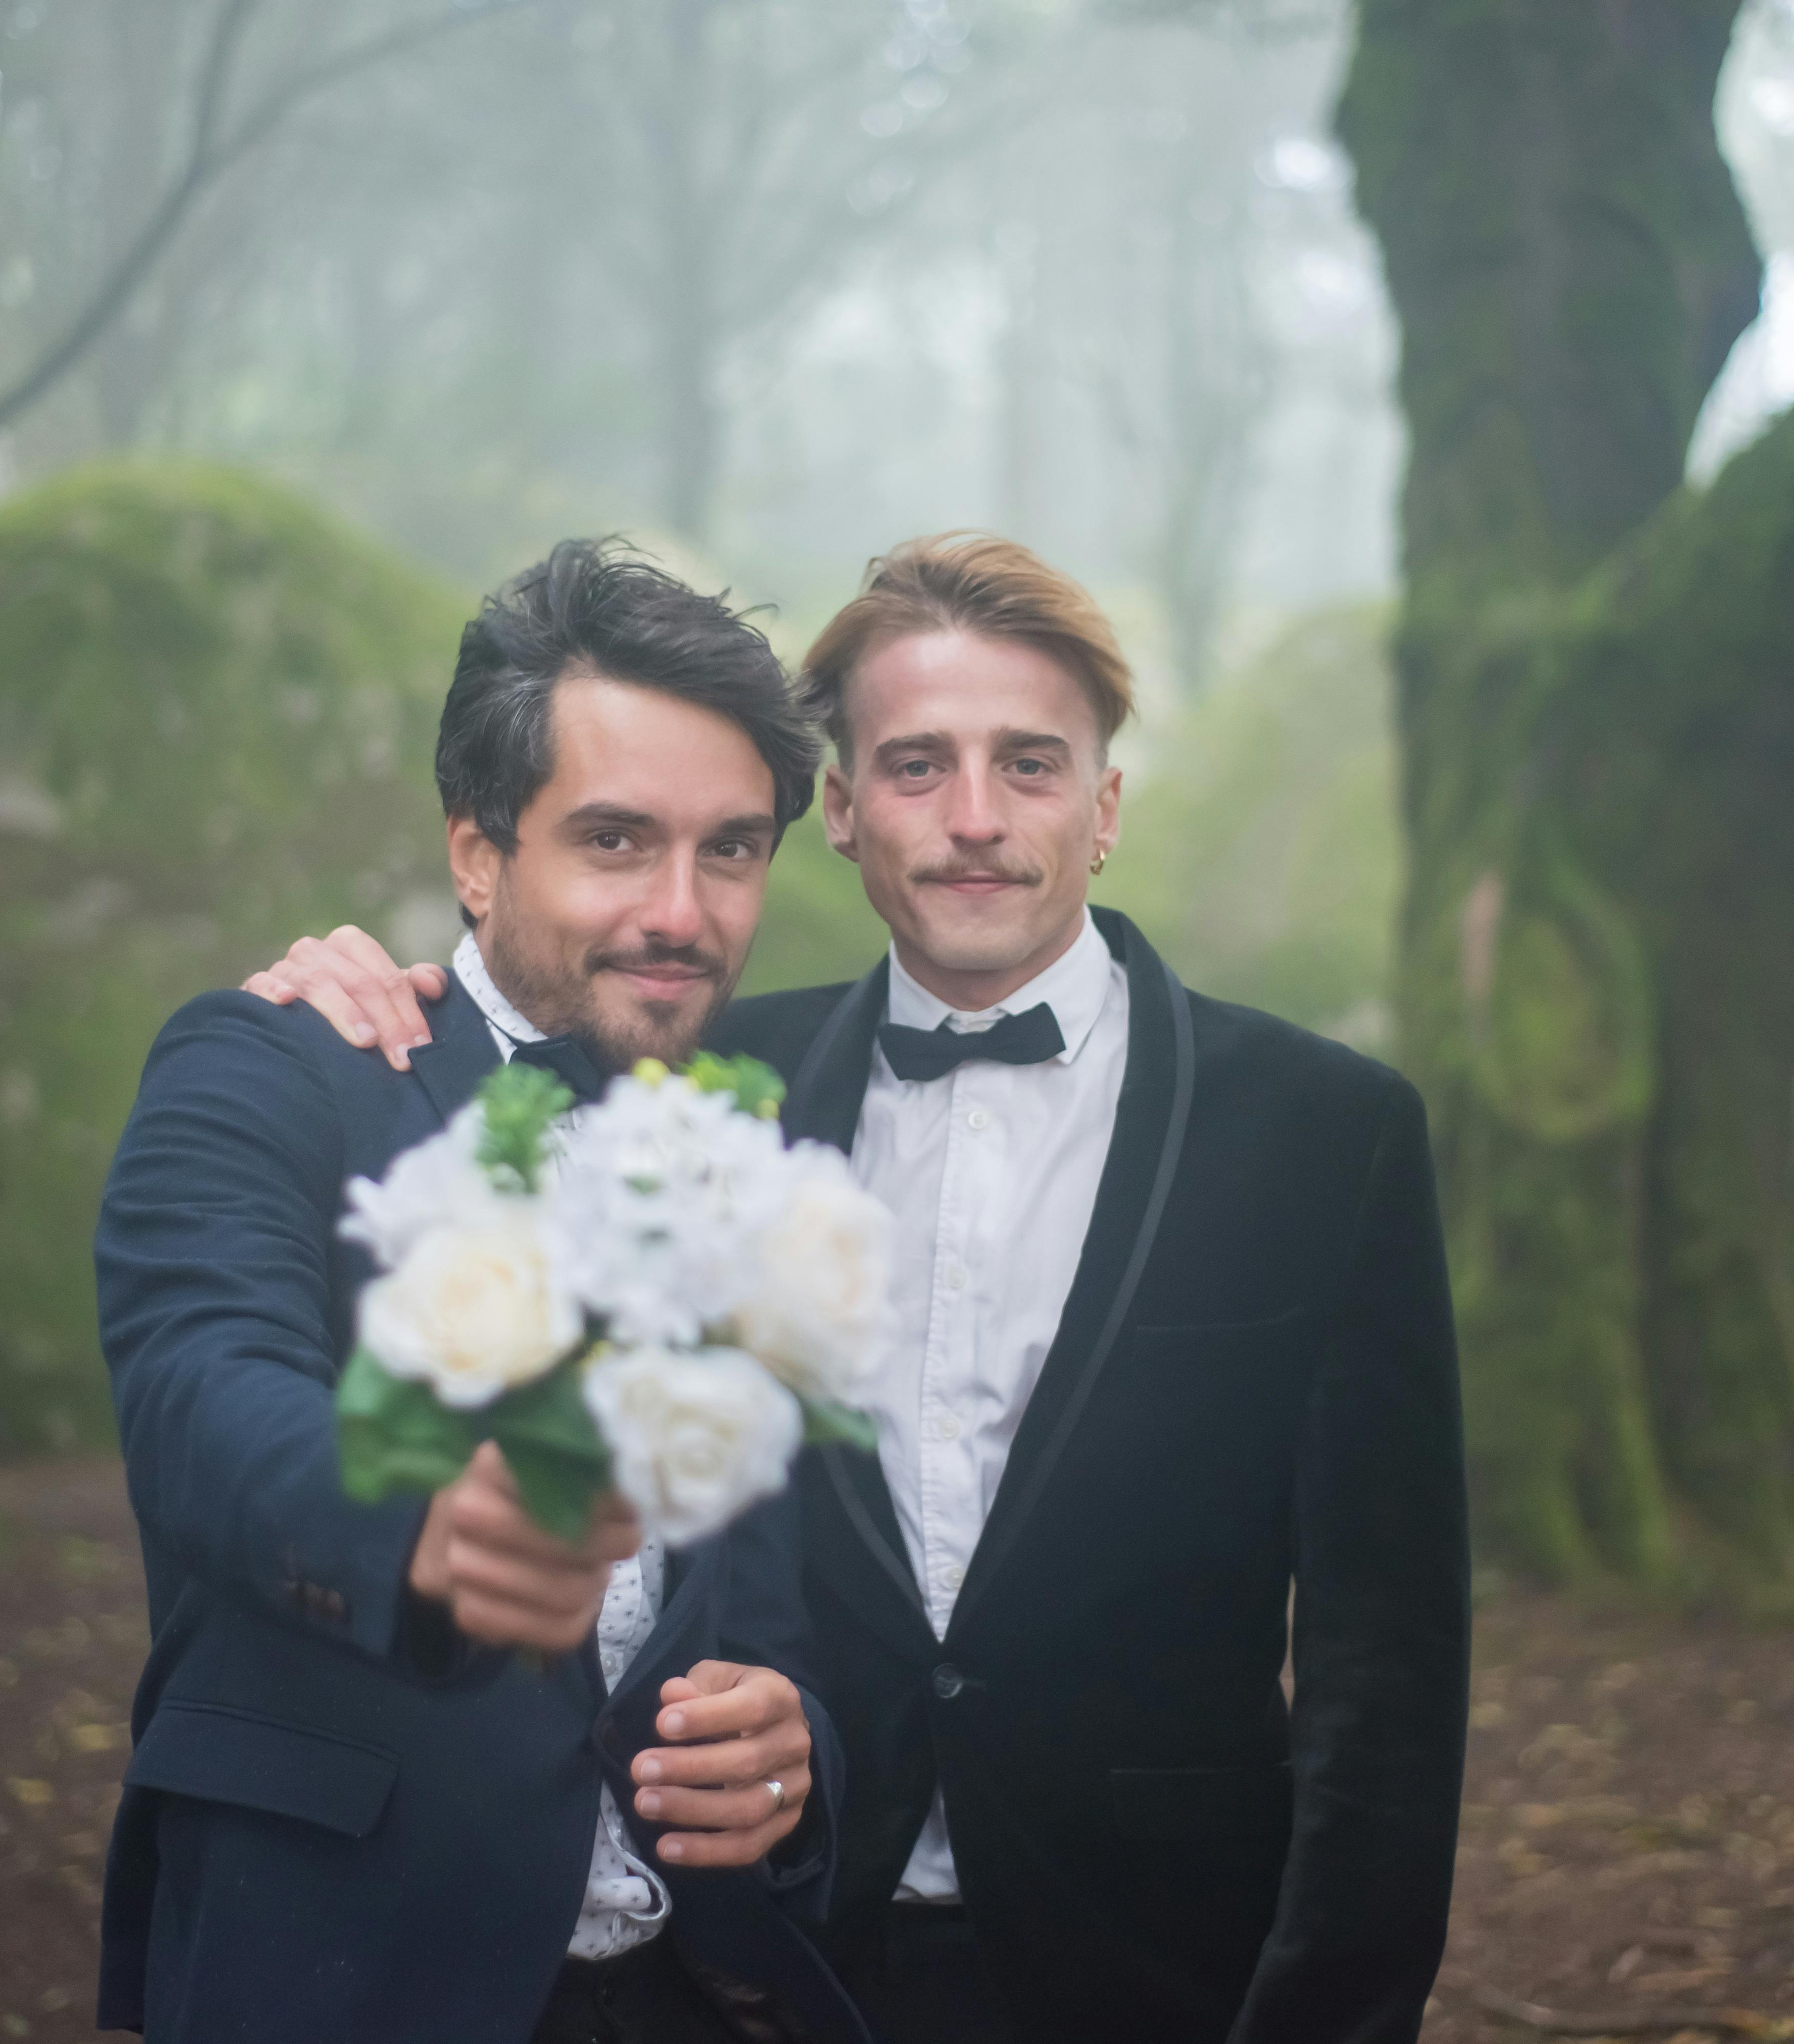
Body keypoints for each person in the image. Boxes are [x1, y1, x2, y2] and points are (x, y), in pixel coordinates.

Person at [258, 534, 1470, 2044]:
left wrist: (1334, 2016)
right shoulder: (688, 1087)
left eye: (1029, 766)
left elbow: (1389, 1668)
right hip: (774, 1957)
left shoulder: (1328, 1134)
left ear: (1104, 809)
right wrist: (330, 995)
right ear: (836, 810)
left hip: (1166, 1962)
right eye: (916, 766)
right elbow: (484, 1038)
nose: (975, 820)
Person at [98, 540, 866, 2044]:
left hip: (694, 1997)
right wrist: (425, 1520)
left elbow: (767, 1592)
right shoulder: (269, 1064)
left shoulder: (754, 1147)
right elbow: (197, 1385)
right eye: (615, 841)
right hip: (346, 1979)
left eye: (731, 849)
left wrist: (799, 1749)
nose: (685, 910)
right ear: (474, 853)